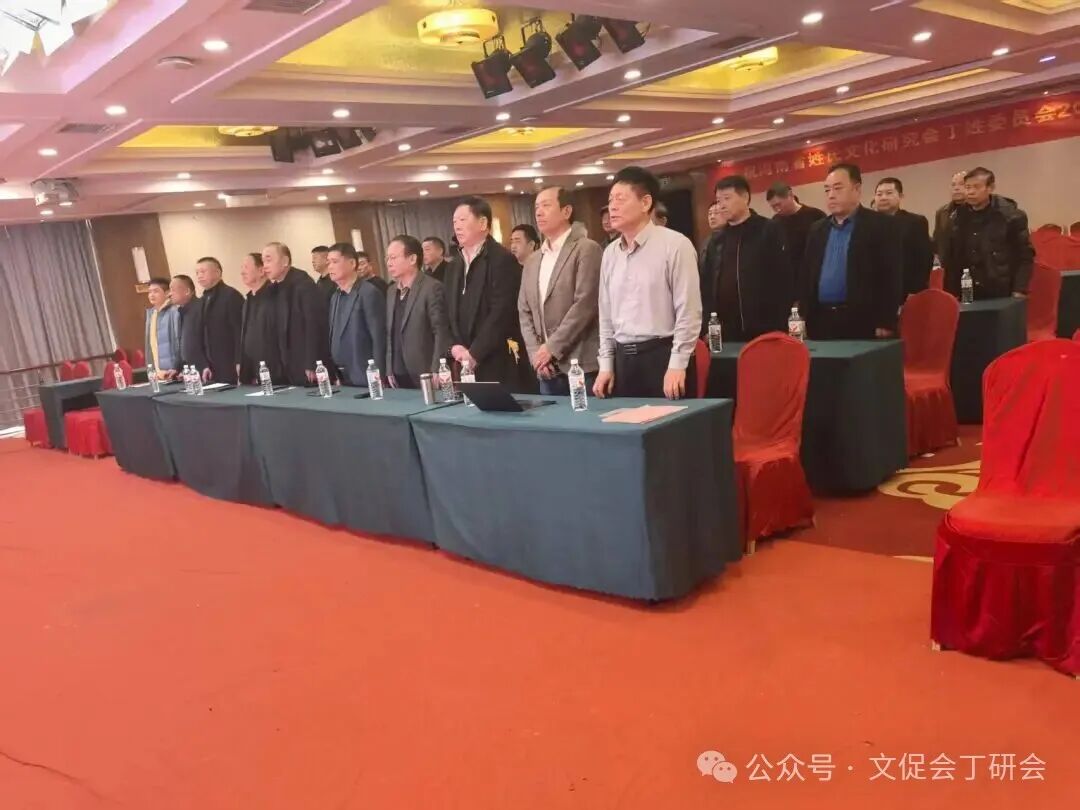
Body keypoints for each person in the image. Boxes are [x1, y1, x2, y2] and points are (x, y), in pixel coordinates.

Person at [594, 166, 702, 400]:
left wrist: (678, 364)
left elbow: (689, 311)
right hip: (623, 361)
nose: (612, 207)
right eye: (610, 200)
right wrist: (606, 364)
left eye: (621, 199)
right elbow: (605, 315)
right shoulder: (610, 253)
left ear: (645, 203)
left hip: (662, 356)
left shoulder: (675, 245)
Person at [799, 163, 902, 340]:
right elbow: (807, 275)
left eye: (838, 188)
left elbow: (891, 276)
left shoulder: (881, 225)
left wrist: (885, 321)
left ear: (857, 189)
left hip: (863, 322)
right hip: (821, 321)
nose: (831, 195)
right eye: (827, 190)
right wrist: (804, 315)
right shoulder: (817, 229)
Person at [518, 186, 602, 395]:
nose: (539, 212)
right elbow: (524, 311)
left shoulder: (586, 248)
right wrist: (537, 355)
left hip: (581, 363)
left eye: (546, 206)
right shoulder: (533, 260)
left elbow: (585, 305)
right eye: (536, 207)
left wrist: (552, 348)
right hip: (546, 368)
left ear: (566, 211)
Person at [444, 196, 528, 388]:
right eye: (454, 222)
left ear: (483, 223)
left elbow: (502, 313)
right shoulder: (454, 266)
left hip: (497, 359)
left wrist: (475, 353)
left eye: (463, 220)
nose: (457, 226)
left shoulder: (502, 259)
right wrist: (454, 347)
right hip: (462, 360)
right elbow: (446, 312)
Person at [704, 175, 792, 341]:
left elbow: (784, 278)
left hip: (764, 326)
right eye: (718, 200)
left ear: (745, 197)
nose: (721, 205)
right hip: (725, 329)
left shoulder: (768, 230)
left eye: (727, 198)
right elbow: (707, 285)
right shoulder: (716, 240)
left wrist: (783, 321)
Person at [945, 167, 1035, 300]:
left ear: (990, 188)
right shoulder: (958, 217)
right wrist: (951, 294)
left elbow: (1025, 256)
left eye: (976, 187)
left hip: (1003, 289)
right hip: (969, 290)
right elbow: (952, 259)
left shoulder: (1011, 215)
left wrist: (1019, 289)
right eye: (968, 187)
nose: (970, 192)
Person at [384, 234, 452, 389]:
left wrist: (437, 368)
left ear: (412, 259)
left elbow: (441, 331)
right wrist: (389, 368)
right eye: (387, 258)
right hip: (398, 372)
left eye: (393, 258)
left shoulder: (432, 287)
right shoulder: (391, 291)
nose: (389, 263)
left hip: (424, 370)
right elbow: (390, 333)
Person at [262, 241, 330, 386]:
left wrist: (312, 362)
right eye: (263, 261)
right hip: (285, 364)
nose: (265, 266)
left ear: (285, 261)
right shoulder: (273, 289)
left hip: (305, 364)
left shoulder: (303, 284)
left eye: (268, 260)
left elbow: (314, 325)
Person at [326, 243, 386, 387]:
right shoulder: (335, 296)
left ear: (352, 263)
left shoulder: (368, 293)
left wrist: (379, 373)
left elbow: (379, 338)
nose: (330, 267)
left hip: (366, 374)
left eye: (335, 262)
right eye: (328, 263)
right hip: (343, 376)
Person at [873, 177, 933, 296]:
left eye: (889, 193)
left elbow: (924, 260)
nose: (883, 197)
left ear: (900, 196)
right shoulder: (867, 224)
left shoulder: (915, 222)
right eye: (879, 194)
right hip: (876, 292)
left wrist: (915, 291)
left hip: (907, 290)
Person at [192, 256, 244, 384]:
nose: (199, 276)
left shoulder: (231, 296)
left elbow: (240, 331)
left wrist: (239, 361)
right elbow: (200, 335)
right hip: (210, 367)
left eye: (203, 271)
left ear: (217, 273)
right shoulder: (202, 299)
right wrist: (203, 364)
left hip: (230, 363)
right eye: (197, 273)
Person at [238, 252, 278, 385]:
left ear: (261, 271)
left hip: (275, 370)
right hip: (253, 371)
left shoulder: (275, 296)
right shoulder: (248, 300)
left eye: (246, 267)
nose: (242, 272)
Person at [766, 181, 825, 269]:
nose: (777, 209)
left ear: (790, 195)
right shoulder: (775, 221)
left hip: (812, 269)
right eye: (773, 207)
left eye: (778, 204)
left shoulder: (815, 215)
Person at [144, 277, 181, 378]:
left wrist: (177, 367)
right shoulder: (151, 314)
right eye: (149, 292)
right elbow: (150, 346)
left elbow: (179, 341)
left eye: (156, 291)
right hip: (157, 372)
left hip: (173, 371)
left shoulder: (174, 311)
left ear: (167, 293)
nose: (151, 295)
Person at [170, 274, 204, 378]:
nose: (170, 294)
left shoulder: (201, 308)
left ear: (187, 291)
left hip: (204, 370)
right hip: (190, 372)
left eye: (173, 290)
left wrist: (202, 367)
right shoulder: (182, 312)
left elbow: (203, 342)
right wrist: (177, 367)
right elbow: (182, 344)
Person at [933, 170, 967, 263]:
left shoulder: (976, 209)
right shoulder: (942, 212)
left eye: (961, 184)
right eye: (953, 185)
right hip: (949, 265)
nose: (956, 188)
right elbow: (937, 240)